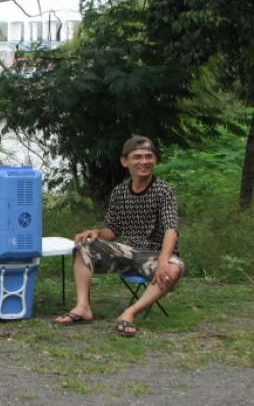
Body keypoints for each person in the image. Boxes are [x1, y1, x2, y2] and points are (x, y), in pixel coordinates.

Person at [55, 136, 186, 336]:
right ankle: (83, 307)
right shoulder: (120, 192)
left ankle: (129, 313)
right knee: (84, 244)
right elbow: (113, 231)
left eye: (149, 157)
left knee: (174, 268)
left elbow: (171, 229)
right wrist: (97, 233)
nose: (144, 161)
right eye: (138, 157)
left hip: (155, 254)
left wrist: (163, 259)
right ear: (125, 161)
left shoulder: (163, 191)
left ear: (155, 161)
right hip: (129, 251)